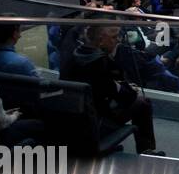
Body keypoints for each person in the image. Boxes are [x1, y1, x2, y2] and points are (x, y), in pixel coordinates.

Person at [63, 25, 162, 155]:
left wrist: (120, 86)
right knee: (143, 103)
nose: (118, 41)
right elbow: (125, 97)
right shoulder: (99, 62)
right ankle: (146, 150)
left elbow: (105, 86)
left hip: (75, 119)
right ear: (101, 39)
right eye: (114, 37)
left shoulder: (77, 53)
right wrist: (130, 90)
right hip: (97, 122)